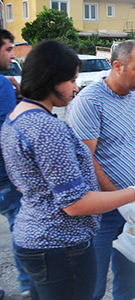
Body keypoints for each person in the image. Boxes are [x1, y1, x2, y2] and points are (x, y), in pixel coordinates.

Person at [0, 40, 135, 300]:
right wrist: (131, 195)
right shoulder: (48, 128)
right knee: (90, 291)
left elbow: (27, 184)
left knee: (129, 276)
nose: (76, 88)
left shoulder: (16, 119)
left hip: (36, 237)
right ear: (50, 79)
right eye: (72, 80)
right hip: (61, 242)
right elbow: (74, 203)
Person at [66, 40, 135, 300]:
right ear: (117, 66)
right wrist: (121, 201)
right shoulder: (89, 102)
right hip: (102, 209)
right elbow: (86, 158)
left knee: (131, 276)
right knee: (92, 283)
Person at [0, 29, 30, 297]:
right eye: (8, 49)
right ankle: (28, 289)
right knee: (21, 232)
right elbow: (9, 133)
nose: (13, 54)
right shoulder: (2, 85)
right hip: (5, 178)